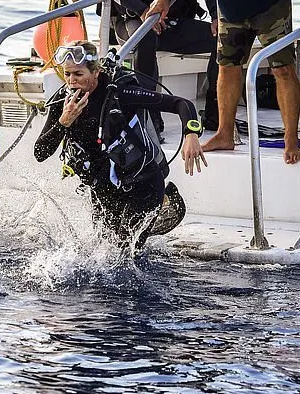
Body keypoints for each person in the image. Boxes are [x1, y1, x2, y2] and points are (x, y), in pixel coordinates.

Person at [34, 41, 206, 250]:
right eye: (67, 74)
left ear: (96, 72)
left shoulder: (120, 93)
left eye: (78, 74)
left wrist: (191, 134)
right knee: (103, 253)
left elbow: (181, 104)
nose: (72, 81)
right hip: (103, 189)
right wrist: (64, 122)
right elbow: (40, 153)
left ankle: (162, 202)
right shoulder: (63, 101)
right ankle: (163, 207)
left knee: (124, 252)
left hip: (143, 185)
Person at [99, 0, 219, 137]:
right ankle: (149, 115)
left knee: (222, 39)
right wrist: (143, 11)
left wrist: (216, 15)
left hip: (174, 20)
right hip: (132, 19)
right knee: (145, 39)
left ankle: (214, 112)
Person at [202, 0, 300, 164]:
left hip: (271, 7)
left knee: (282, 69)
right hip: (230, 10)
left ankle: (290, 138)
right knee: (227, 67)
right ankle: (224, 134)